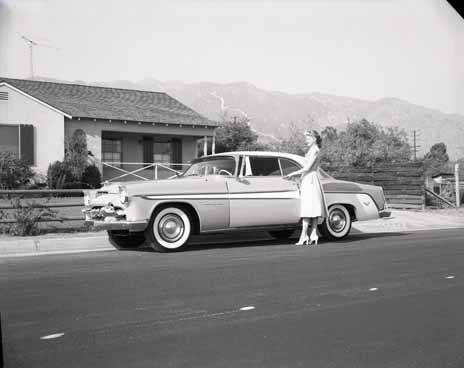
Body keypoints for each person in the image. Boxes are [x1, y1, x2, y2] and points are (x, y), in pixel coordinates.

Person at [284, 130, 328, 246]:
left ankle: (304, 236)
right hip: (311, 179)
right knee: (312, 209)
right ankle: (313, 234)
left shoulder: (314, 150)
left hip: (310, 179)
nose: (306, 140)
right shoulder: (314, 150)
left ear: (314, 139)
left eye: (308, 138)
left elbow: (307, 167)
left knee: (308, 209)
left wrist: (293, 174)